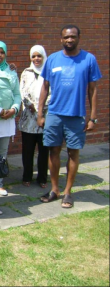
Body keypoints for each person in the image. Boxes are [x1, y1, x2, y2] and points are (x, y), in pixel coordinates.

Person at [38, 25, 101, 208]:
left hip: (76, 115)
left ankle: (68, 192)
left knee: (73, 152)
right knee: (53, 151)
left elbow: (93, 89)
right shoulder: (52, 59)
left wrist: (93, 117)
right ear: (61, 39)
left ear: (79, 38)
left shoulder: (89, 59)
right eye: (66, 37)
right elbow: (44, 87)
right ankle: (55, 189)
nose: (69, 40)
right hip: (55, 114)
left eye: (73, 37)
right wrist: (40, 113)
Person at [0, 41, 21, 196]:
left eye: (2, 52)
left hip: (7, 119)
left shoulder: (11, 70)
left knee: (2, 153)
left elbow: (17, 94)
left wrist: (14, 108)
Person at [19, 45, 50, 188]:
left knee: (44, 151)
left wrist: (41, 109)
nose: (36, 59)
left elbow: (53, 93)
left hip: (45, 117)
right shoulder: (26, 72)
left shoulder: (49, 71)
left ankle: (42, 178)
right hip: (28, 118)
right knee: (28, 150)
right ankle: (27, 176)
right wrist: (30, 105)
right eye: (34, 56)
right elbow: (22, 92)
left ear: (44, 57)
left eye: (39, 56)